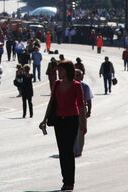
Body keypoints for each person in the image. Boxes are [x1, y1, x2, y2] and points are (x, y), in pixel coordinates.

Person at [39, 61, 87, 191]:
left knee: (68, 151)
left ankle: (69, 182)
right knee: (62, 151)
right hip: (59, 121)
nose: (58, 72)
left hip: (72, 120)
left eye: (61, 70)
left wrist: (83, 124)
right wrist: (44, 119)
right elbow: (52, 102)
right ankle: (65, 180)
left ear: (67, 71)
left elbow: (81, 106)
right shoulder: (57, 84)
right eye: (58, 70)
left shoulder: (76, 86)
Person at [73, 70, 92, 157]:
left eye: (78, 75)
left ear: (81, 77)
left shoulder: (85, 86)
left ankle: (79, 150)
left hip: (82, 110)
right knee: (73, 130)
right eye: (75, 75)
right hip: (72, 110)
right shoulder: (70, 85)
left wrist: (89, 111)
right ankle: (73, 149)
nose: (77, 77)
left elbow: (88, 99)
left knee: (81, 130)